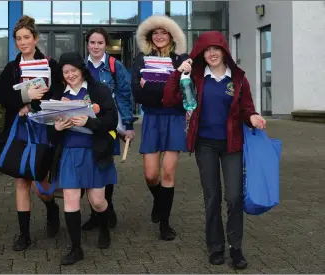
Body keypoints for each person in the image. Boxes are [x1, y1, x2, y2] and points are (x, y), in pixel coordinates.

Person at [162, 30, 267, 269]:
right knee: (212, 198)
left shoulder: (237, 78)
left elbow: (246, 107)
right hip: (205, 144)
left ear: (224, 51)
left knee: (234, 197)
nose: (212, 53)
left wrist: (253, 117)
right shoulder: (196, 77)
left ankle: (236, 248)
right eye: (207, 50)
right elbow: (169, 99)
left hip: (232, 145)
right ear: (201, 53)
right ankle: (215, 246)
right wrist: (178, 73)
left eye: (216, 49)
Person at [0, 15, 64, 251]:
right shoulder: (11, 68)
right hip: (19, 129)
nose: (23, 42)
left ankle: (51, 207)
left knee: (40, 183)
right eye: (18, 39)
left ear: (35, 38)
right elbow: (2, 96)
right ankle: (23, 234)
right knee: (21, 179)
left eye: (27, 37)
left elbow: (57, 93)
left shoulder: (51, 65)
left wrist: (35, 102)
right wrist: (23, 100)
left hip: (44, 128)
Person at [50, 52, 119, 265]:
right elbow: (51, 132)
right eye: (66, 72)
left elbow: (111, 120)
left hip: (94, 151)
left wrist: (88, 123)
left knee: (97, 202)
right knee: (70, 199)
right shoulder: (59, 94)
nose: (70, 75)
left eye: (73, 70)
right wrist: (57, 127)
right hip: (70, 152)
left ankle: (105, 226)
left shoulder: (99, 90)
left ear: (82, 70)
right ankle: (76, 248)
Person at [131, 14, 188, 241]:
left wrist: (153, 89)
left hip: (174, 118)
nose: (160, 36)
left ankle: (164, 223)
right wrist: (164, 90)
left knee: (167, 173)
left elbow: (181, 95)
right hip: (152, 118)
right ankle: (159, 199)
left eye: (164, 32)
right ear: (150, 36)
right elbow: (137, 93)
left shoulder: (182, 59)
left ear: (171, 35)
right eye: (156, 33)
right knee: (151, 174)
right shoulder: (142, 59)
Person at [81, 27, 137, 230]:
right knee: (89, 167)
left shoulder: (115, 66)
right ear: (87, 44)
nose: (96, 46)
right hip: (85, 126)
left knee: (104, 166)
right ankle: (97, 214)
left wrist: (128, 125)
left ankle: (106, 210)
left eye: (100, 43)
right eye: (92, 42)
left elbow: (124, 95)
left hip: (107, 126)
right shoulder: (81, 67)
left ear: (106, 45)